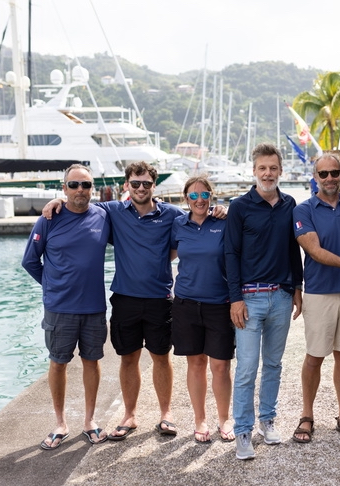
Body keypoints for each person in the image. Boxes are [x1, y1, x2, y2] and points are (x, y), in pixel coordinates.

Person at [43, 162, 226, 440]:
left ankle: (166, 414)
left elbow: (196, 214)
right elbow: (80, 204)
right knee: (128, 359)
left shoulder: (172, 215)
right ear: (127, 185)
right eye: (135, 183)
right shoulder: (112, 211)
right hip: (126, 298)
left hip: (159, 298)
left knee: (161, 357)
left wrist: (217, 210)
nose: (141, 188)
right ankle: (130, 415)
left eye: (147, 184)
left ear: (154, 186)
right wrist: (56, 200)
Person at [23, 164, 110, 449]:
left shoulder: (103, 215)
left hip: (94, 306)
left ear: (92, 189)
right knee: (58, 362)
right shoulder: (49, 219)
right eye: (73, 185)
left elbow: (138, 204)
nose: (79, 190)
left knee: (91, 361)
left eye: (85, 185)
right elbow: (30, 261)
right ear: (64, 188)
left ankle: (89, 420)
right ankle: (60, 422)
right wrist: (52, 286)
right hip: (59, 308)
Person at [225, 143, 303, 460]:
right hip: (249, 298)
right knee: (246, 369)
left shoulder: (290, 205)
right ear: (254, 171)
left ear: (280, 171)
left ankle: (266, 421)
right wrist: (235, 299)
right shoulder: (240, 207)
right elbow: (230, 253)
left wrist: (297, 287)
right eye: (262, 168)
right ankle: (242, 431)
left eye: (273, 168)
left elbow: (292, 249)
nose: (267, 173)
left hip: (281, 297)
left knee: (273, 364)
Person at [292, 153, 340, 444]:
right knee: (314, 357)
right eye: (323, 174)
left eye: (334, 172)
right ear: (315, 177)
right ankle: (307, 415)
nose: (329, 178)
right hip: (319, 293)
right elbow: (314, 251)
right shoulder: (304, 210)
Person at [171, 176, 235, 444]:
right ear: (186, 199)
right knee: (195, 364)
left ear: (212, 196)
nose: (199, 200)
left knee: (220, 366)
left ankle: (224, 419)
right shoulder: (177, 224)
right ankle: (200, 420)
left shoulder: (223, 222)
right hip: (186, 304)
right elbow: (169, 254)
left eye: (204, 195)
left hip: (219, 304)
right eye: (193, 196)